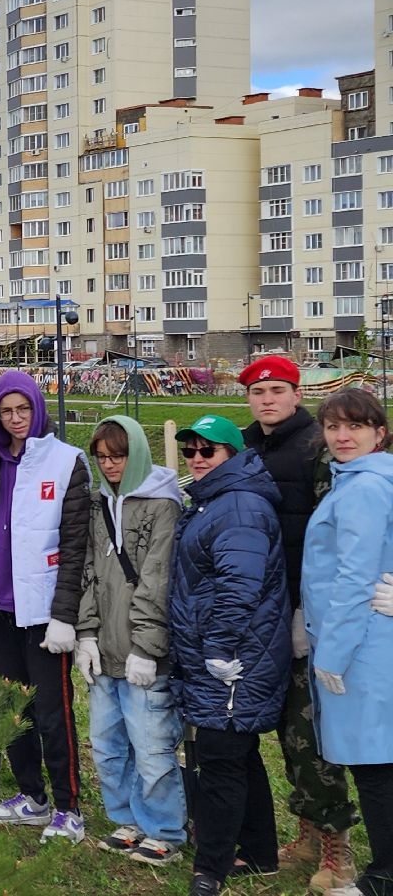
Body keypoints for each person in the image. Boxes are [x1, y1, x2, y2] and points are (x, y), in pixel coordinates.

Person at [0, 369, 91, 843]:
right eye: (6, 412)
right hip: (1, 605)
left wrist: (64, 615)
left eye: (23, 410)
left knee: (53, 712)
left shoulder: (65, 462)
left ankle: (69, 805)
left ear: (38, 409)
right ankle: (32, 796)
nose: (15, 420)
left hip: (42, 611)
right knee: (13, 708)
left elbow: (75, 546)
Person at [238, 354, 355, 891]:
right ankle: (306, 832)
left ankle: (337, 847)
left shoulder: (316, 448)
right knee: (285, 728)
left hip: (307, 608)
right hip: (258, 605)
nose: (268, 399)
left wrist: (313, 609)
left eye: (278, 390)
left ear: (294, 392)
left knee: (311, 729)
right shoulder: (243, 444)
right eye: (258, 392)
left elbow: (333, 534)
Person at [168, 414, 289, 896]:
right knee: (239, 752)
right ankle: (260, 852)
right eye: (191, 450)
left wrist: (219, 648)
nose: (197, 459)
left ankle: (211, 868)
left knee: (219, 758)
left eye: (208, 451)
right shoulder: (214, 501)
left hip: (236, 657)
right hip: (221, 650)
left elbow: (240, 585)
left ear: (232, 455)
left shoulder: (238, 506)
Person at [74, 416, 186, 866]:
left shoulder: (163, 505)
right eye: (101, 457)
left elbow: (156, 580)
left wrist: (147, 646)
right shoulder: (99, 503)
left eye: (117, 455)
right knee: (107, 742)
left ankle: (165, 829)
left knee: (152, 744)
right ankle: (127, 819)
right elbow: (88, 573)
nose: (109, 464)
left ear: (135, 452)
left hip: (143, 653)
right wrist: (85, 633)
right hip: (104, 649)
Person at [302, 389, 393, 896]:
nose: (342, 436)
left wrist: (332, 653)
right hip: (370, 640)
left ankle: (384, 876)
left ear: (378, 433)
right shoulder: (365, 480)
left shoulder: (363, 488)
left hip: (361, 649)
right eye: (334, 426)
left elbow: (353, 576)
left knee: (376, 764)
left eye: (355, 426)